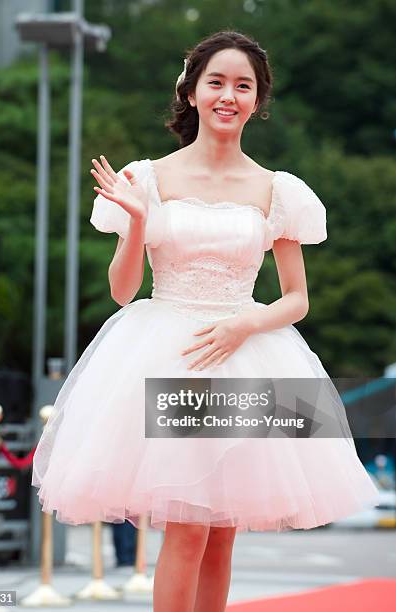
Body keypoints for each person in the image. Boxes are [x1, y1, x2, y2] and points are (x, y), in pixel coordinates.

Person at [32, 30, 380, 612]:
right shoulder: (145, 178)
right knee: (188, 526)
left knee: (223, 531)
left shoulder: (279, 189)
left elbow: (297, 300)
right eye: (216, 82)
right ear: (191, 92)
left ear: (257, 101)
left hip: (247, 355)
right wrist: (139, 222)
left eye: (243, 85)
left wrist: (246, 325)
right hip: (168, 354)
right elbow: (123, 293)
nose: (228, 95)